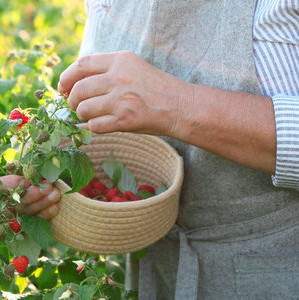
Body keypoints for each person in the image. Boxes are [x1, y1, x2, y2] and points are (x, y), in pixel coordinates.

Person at [52, 0, 298, 299]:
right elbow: (93, 90)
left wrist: (178, 105)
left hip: (274, 272)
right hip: (150, 270)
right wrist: (49, 165)